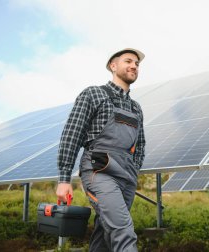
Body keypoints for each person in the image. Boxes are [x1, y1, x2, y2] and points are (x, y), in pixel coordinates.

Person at [56, 48, 146, 251]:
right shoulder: (94, 94)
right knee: (123, 230)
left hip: (126, 176)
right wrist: (64, 179)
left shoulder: (136, 108)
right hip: (100, 170)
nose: (133, 66)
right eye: (128, 61)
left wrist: (134, 170)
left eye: (137, 64)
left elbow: (140, 145)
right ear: (113, 66)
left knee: (104, 233)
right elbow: (72, 134)